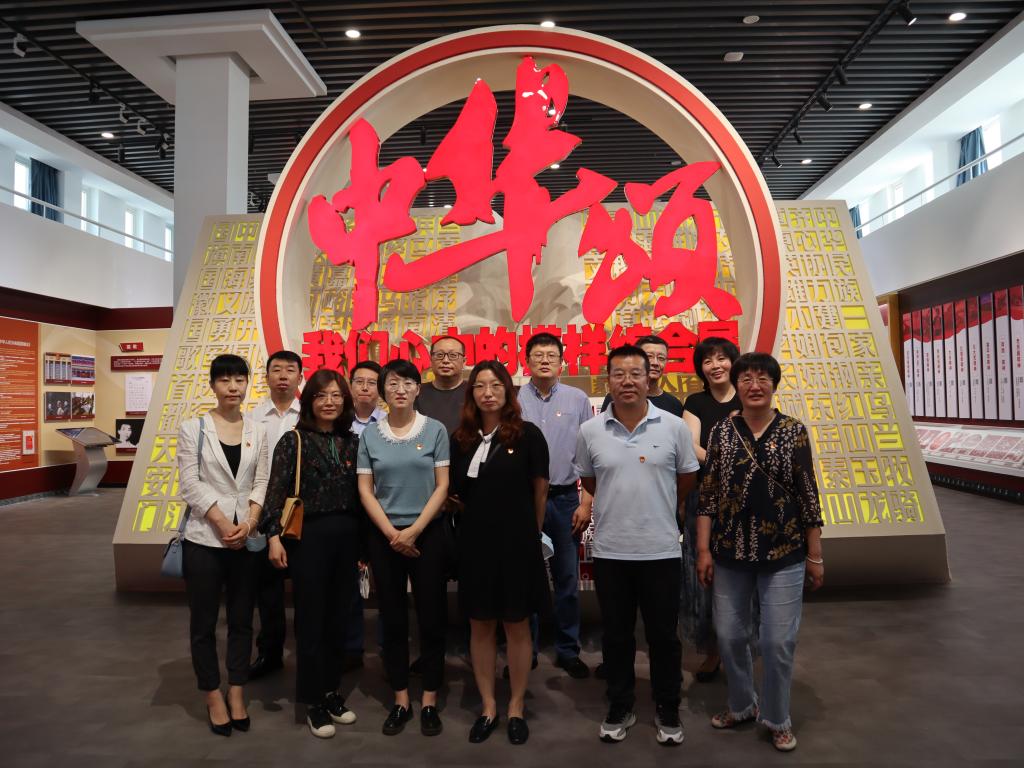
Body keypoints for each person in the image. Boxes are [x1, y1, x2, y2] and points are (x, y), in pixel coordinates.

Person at [697, 352, 824, 753]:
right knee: (730, 635)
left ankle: (777, 717)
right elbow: (708, 494)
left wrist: (815, 554)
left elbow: (807, 494)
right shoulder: (722, 431)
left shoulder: (792, 431)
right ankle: (741, 704)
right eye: (746, 378)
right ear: (736, 385)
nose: (754, 385)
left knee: (777, 641)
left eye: (762, 378)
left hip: (784, 551)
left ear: (774, 384)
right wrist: (702, 549)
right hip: (729, 551)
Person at [575, 344, 698, 746]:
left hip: (661, 549)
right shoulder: (591, 430)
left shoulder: (674, 426)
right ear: (607, 380)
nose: (627, 381)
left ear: (649, 378)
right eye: (619, 374)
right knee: (616, 636)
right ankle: (620, 704)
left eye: (635, 373)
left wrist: (660, 507)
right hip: (611, 550)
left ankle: (667, 707)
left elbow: (686, 478)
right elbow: (591, 481)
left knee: (663, 636)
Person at [449, 361, 550, 745]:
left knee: (516, 624)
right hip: (475, 544)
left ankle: (517, 706)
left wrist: (531, 533)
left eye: (495, 385)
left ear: (508, 391)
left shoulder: (527, 435)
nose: (488, 392)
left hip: (517, 543)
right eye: (480, 386)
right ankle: (489, 706)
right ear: (471, 393)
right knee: (480, 624)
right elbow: (456, 492)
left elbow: (540, 490)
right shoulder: (461, 438)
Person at [261, 368, 361, 739]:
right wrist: (273, 537)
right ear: (310, 401)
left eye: (336, 395)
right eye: (321, 395)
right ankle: (312, 701)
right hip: (309, 538)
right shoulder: (294, 440)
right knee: (311, 620)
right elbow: (275, 492)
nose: (329, 402)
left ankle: (332, 691)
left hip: (347, 536)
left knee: (339, 618)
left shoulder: (352, 441)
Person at [177, 354, 269, 736]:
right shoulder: (193, 428)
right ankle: (212, 694)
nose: (233, 386)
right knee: (203, 623)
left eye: (239, 379)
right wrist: (221, 521)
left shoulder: (258, 430)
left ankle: (237, 691)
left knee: (243, 620)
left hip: (245, 539)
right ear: (213, 385)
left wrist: (248, 523)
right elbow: (190, 482)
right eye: (225, 380)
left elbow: (262, 481)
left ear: (247, 383)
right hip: (204, 539)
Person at [357, 359, 450, 737]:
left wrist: (413, 531)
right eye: (393, 383)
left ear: (417, 389)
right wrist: (393, 534)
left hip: (428, 534)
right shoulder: (370, 435)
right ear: (383, 390)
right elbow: (365, 490)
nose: (400, 389)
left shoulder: (435, 430)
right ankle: (400, 699)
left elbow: (442, 486)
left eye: (408, 383)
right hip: (385, 537)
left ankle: (429, 699)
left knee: (432, 616)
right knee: (392, 618)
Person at [517, 331, 594, 679]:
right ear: (527, 362)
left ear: (562, 362)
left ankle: (567, 650)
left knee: (567, 578)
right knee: (526, 578)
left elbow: (591, 453)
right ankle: (526, 650)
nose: (545, 360)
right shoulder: (515, 399)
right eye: (538, 355)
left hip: (565, 499)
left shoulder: (578, 399)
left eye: (551, 355)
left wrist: (586, 501)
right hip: (523, 501)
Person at [680, 337, 741, 683]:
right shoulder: (695, 402)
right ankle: (713, 651)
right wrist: (727, 460)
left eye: (721, 358)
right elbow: (690, 445)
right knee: (704, 575)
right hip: (703, 498)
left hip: (744, 502)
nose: (715, 366)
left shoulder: (748, 397)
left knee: (741, 575)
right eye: (707, 360)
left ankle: (740, 647)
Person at [249, 350, 303, 680]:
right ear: (266, 376)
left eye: (290, 370)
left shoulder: (308, 415)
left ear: (300, 377)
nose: (283, 376)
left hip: (300, 511)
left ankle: (310, 653)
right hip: (262, 510)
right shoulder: (253, 417)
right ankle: (269, 653)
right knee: (267, 590)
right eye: (277, 370)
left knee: (307, 586)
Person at [345, 360, 387, 669]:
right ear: (350, 386)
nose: (365, 387)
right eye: (359, 381)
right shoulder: (339, 421)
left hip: (382, 508)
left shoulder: (389, 422)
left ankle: (387, 647)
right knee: (349, 582)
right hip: (348, 509)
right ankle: (351, 647)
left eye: (372, 382)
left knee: (386, 582)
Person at [600, 335, 684, 417]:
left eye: (661, 358)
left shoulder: (674, 404)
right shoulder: (616, 398)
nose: (655, 363)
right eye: (649, 356)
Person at [414, 336, 468, 434]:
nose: (445, 360)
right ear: (431, 360)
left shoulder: (474, 392)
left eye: (453, 355)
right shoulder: (416, 392)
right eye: (439, 355)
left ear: (464, 362)